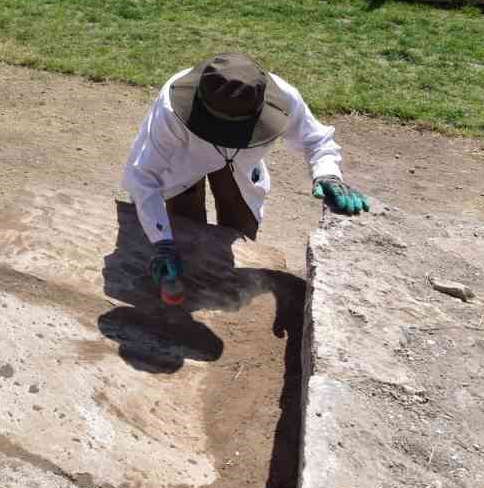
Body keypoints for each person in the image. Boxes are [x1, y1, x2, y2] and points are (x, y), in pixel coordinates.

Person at [122, 52, 372, 302]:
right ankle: (185, 275)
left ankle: (223, 284)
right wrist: (162, 242)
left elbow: (316, 140)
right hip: (182, 161)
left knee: (241, 229)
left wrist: (328, 174)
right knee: (183, 227)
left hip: (242, 164)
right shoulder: (170, 109)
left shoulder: (285, 98)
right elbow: (144, 175)